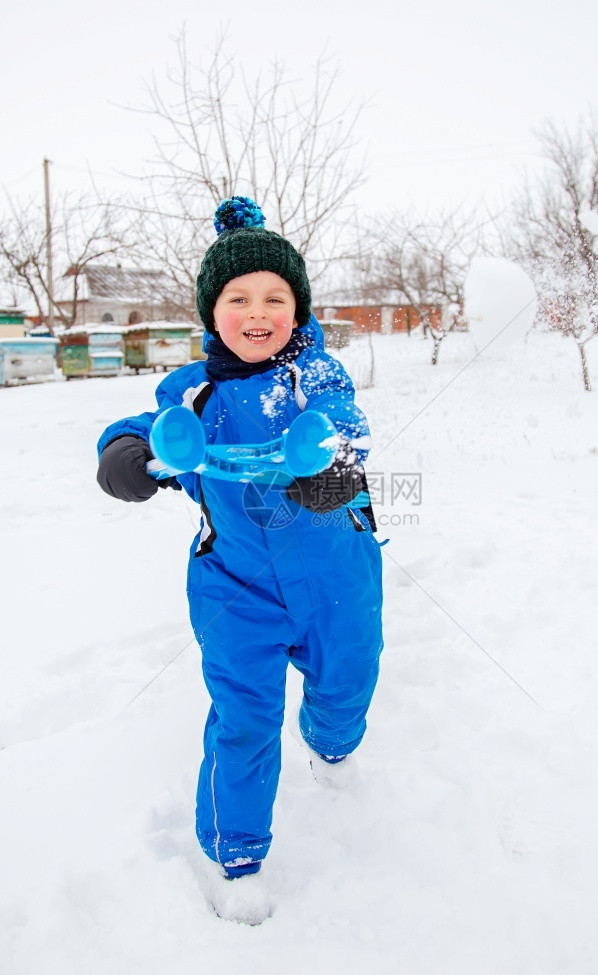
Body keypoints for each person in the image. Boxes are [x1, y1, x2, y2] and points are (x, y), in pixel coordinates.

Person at [96, 196, 383, 925]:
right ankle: (237, 854)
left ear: (297, 308)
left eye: (276, 297)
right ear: (212, 311)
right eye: (239, 297)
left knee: (347, 679)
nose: (259, 312)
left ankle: (331, 740)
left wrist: (332, 469)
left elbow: (345, 430)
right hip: (236, 591)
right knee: (244, 718)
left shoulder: (316, 377)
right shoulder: (193, 393)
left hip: (335, 578)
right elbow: (147, 429)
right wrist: (127, 455)